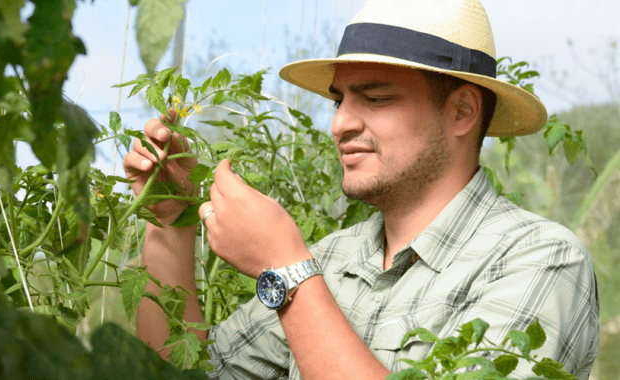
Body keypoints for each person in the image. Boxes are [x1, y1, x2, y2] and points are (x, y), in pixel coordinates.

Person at [123, 0, 599, 379]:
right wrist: (169, 222)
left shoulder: (540, 259)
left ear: (462, 112)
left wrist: (287, 272)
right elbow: (183, 371)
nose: (340, 123)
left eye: (375, 97)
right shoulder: (331, 260)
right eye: (340, 99)